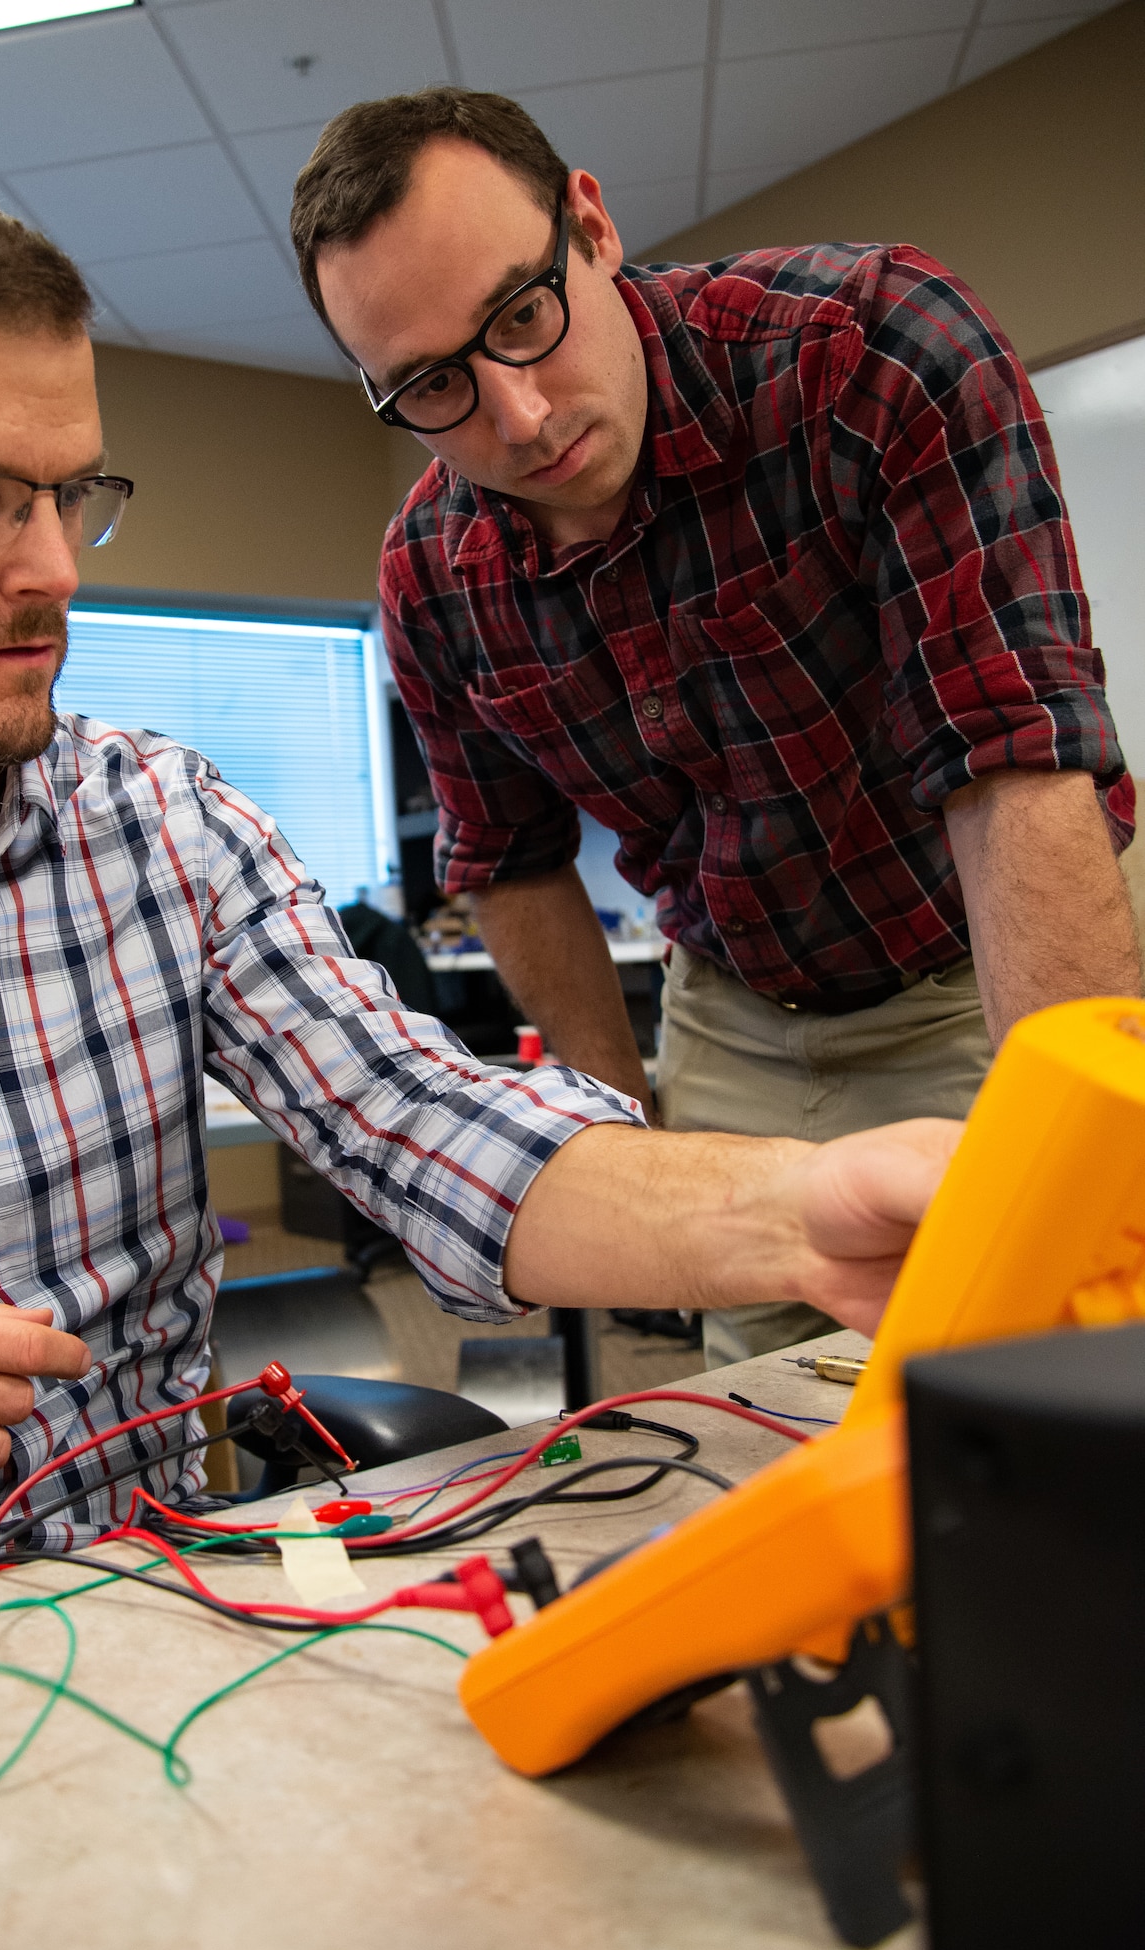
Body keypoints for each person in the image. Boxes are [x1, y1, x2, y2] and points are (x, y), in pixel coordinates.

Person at [0, 170, 957, 1657]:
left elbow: (426, 1125)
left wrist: (799, 1213)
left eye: (69, 492)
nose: (52, 570)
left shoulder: (162, 826)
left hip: (152, 1644)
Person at [289, 87, 1141, 1365]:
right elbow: (508, 862)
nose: (514, 417)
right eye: (430, 385)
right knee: (770, 1411)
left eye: (522, 317)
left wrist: (1080, 1166)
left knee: (1046, 1359)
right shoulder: (432, 574)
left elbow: (1010, 758)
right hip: (730, 1013)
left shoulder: (869, 351)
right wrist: (621, 1135)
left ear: (590, 222)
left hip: (982, 966)